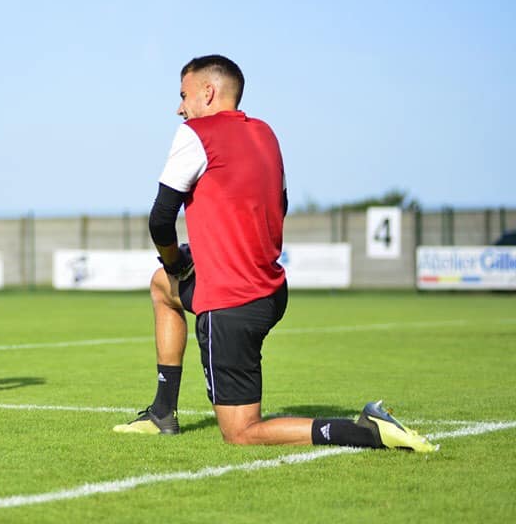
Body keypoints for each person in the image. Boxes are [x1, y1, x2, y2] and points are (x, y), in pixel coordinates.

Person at [114, 55, 436, 452]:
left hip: (230, 303)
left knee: (241, 431)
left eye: (184, 95)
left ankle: (365, 430)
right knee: (163, 287)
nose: (179, 107)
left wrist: (177, 261)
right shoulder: (265, 134)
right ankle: (162, 413)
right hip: (269, 293)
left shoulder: (195, 133)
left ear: (208, 93)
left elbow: (160, 221)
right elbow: (276, 207)